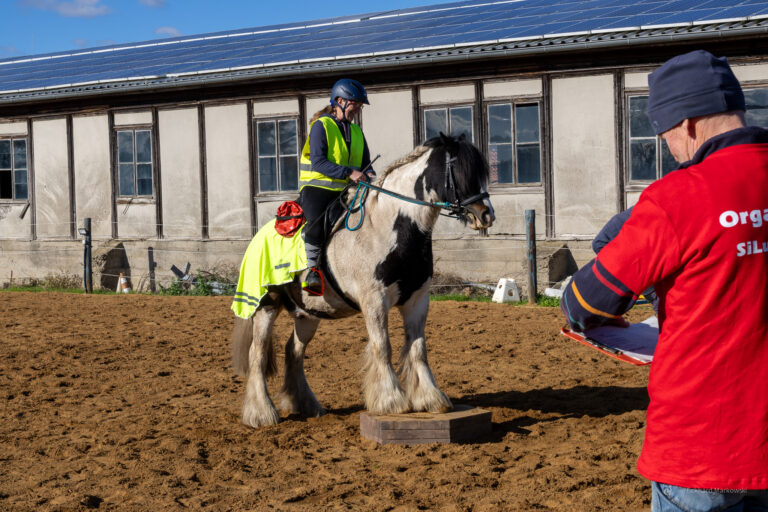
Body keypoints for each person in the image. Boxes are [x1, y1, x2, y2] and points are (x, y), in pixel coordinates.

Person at [561, 49, 768, 510]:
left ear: (687, 124)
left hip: (702, 452)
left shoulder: (677, 197)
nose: (670, 149)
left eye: (665, 135)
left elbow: (584, 302)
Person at [298, 78, 375, 294]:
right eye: (355, 104)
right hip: (318, 189)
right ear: (339, 101)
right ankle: (313, 271)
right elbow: (319, 162)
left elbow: (365, 165)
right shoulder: (321, 126)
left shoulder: (357, 132)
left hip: (346, 190)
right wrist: (350, 172)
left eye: (360, 106)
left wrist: (369, 175)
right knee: (316, 222)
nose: (358, 109)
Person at [592, 207, 659, 315]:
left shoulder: (648, 209)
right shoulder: (646, 214)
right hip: (623, 256)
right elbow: (598, 244)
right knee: (656, 296)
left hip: (631, 255)